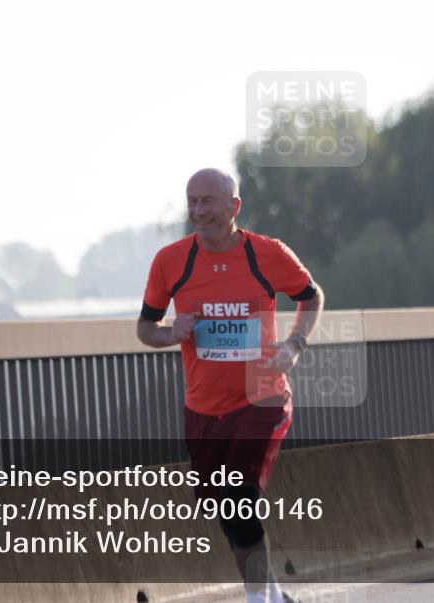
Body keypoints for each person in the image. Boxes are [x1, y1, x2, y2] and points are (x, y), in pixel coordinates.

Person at [137, 167, 324, 603]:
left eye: (208, 202)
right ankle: (273, 594)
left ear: (234, 206)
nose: (199, 212)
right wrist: (172, 332)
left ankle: (257, 598)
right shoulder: (171, 261)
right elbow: (146, 328)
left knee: (238, 496)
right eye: (192, 202)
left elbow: (311, 297)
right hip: (203, 406)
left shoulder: (267, 254)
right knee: (226, 508)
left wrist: (295, 343)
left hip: (261, 395)